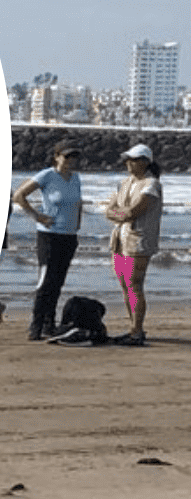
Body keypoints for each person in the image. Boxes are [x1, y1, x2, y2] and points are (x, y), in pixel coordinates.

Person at [12, 138, 84, 341]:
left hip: (69, 237)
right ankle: (35, 326)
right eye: (67, 156)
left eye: (74, 156)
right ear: (57, 157)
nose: (71, 160)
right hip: (49, 236)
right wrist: (37, 216)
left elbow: (78, 203)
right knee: (46, 282)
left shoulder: (76, 178)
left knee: (58, 283)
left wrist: (78, 224)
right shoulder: (47, 176)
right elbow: (19, 195)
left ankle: (49, 324)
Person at [104, 143, 162, 346]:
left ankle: (137, 330)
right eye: (128, 159)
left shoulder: (151, 184)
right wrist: (120, 214)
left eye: (134, 159)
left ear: (145, 162)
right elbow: (109, 211)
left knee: (134, 285)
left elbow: (133, 212)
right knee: (124, 285)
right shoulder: (125, 182)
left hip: (138, 240)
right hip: (119, 238)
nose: (128, 162)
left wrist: (118, 214)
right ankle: (134, 327)